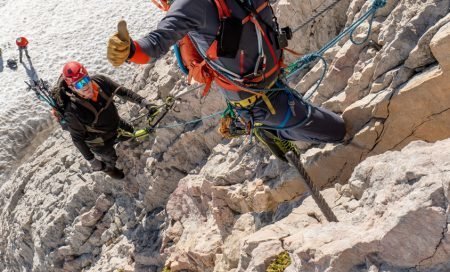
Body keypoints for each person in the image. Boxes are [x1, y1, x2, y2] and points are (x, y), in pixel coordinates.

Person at [107, 0, 346, 161]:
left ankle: (267, 128)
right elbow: (155, 44)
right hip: (254, 100)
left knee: (302, 115)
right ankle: (267, 129)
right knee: (338, 130)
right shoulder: (191, 5)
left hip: (269, 78)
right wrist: (130, 51)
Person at [53, 61, 157, 179]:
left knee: (130, 133)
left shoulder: (101, 81)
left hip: (116, 125)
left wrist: (145, 103)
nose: (85, 86)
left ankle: (130, 142)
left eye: (86, 79)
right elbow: (78, 139)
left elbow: (123, 92)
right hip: (99, 141)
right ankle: (111, 171)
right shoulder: (73, 110)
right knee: (110, 158)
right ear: (71, 87)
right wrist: (92, 160)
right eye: (79, 85)